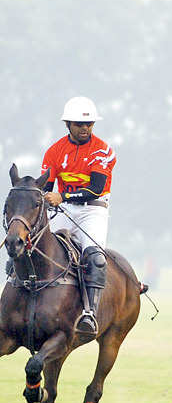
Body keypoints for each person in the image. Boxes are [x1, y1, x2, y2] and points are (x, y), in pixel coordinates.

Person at [41, 96, 116, 335]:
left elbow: (95, 187)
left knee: (94, 258)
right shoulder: (54, 151)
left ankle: (89, 313)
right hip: (64, 210)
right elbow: (46, 188)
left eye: (89, 124)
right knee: (34, 245)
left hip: (93, 210)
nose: (85, 128)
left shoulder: (103, 151)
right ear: (67, 125)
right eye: (79, 124)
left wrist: (61, 197)